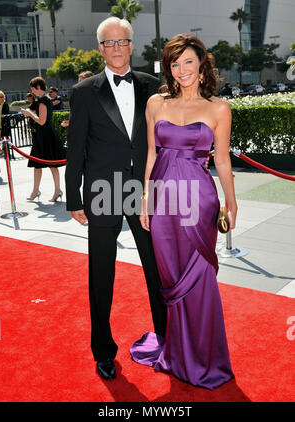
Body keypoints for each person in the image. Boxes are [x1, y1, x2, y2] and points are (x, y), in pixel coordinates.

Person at [130, 34, 238, 390]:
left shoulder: (219, 108)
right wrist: (144, 199)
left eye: (188, 62)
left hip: (198, 202)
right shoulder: (156, 103)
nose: (182, 70)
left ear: (202, 63)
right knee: (171, 279)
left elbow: (221, 160)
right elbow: (150, 154)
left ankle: (206, 358)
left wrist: (231, 201)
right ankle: (177, 354)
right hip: (161, 199)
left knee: (199, 279)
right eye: (174, 64)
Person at [65, 17, 167, 380]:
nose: (116, 48)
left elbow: (163, 142)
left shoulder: (154, 88)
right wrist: (73, 197)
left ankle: (168, 340)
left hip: (143, 192)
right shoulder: (84, 92)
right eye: (109, 43)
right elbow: (75, 147)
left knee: (157, 270)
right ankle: (103, 350)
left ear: (132, 44)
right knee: (101, 274)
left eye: (122, 41)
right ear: (100, 49)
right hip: (101, 192)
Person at [21, 77, 66, 202]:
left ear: (38, 87)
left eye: (33, 88)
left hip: (44, 136)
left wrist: (29, 114)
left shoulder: (42, 101)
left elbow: (41, 121)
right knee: (40, 165)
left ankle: (54, 191)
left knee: (48, 165)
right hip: (45, 135)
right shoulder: (45, 99)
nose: (32, 91)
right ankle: (40, 191)